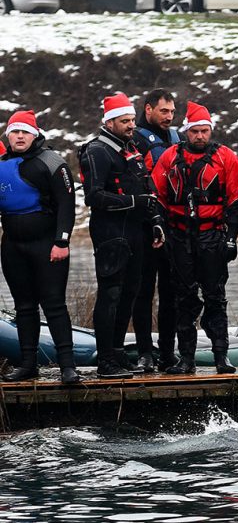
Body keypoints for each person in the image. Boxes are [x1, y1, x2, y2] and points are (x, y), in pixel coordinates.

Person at [151, 102, 238, 375]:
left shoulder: (226, 158)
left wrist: (230, 238)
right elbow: (157, 196)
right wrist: (159, 226)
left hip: (212, 236)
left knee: (216, 297)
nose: (200, 136)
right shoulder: (169, 158)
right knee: (184, 298)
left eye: (205, 131)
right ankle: (186, 359)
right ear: (186, 132)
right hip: (179, 237)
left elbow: (235, 201)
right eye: (195, 132)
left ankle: (221, 356)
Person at [79, 93, 167, 380]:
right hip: (110, 233)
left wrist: (154, 220)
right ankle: (105, 360)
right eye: (124, 121)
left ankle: (116, 352)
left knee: (130, 292)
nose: (131, 125)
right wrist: (133, 202)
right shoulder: (97, 151)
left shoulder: (131, 148)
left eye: (131, 120)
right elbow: (94, 196)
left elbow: (146, 187)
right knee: (111, 295)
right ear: (109, 122)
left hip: (135, 231)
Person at [0, 110, 80, 384]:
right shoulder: (1, 164)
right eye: (14, 131)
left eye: (24, 131)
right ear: (8, 135)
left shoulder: (52, 162)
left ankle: (67, 366)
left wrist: (62, 241)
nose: (19, 136)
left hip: (48, 245)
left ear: (34, 134)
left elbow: (67, 205)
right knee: (24, 307)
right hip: (13, 246)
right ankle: (28, 364)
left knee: (54, 304)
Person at [131, 88, 180, 372]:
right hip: (145, 226)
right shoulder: (135, 138)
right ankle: (144, 352)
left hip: (173, 225)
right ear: (148, 109)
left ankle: (167, 350)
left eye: (173, 112)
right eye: (164, 111)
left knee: (171, 292)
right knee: (144, 291)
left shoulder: (176, 138)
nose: (169, 117)